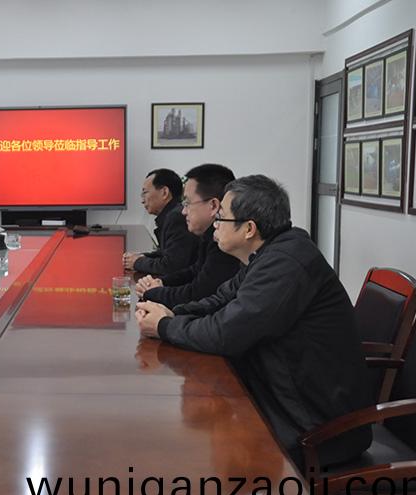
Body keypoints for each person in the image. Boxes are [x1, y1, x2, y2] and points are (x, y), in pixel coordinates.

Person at [135, 175, 372, 468]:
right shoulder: (270, 253)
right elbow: (220, 300)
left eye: (221, 217)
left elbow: (226, 333)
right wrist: (172, 314)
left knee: (186, 448)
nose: (215, 225)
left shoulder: (286, 263)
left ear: (249, 228)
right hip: (282, 395)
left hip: (317, 429)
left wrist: (164, 326)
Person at [135, 164, 241, 308]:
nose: (183, 211)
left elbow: (198, 293)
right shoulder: (209, 234)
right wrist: (162, 282)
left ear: (213, 206)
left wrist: (153, 292)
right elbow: (195, 271)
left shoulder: (226, 242)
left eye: (187, 203)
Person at [122, 169, 197, 275]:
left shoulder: (176, 217)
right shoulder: (172, 214)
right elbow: (166, 253)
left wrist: (137, 262)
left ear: (164, 192)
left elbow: (171, 266)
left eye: (145, 193)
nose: (142, 200)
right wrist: (142, 257)